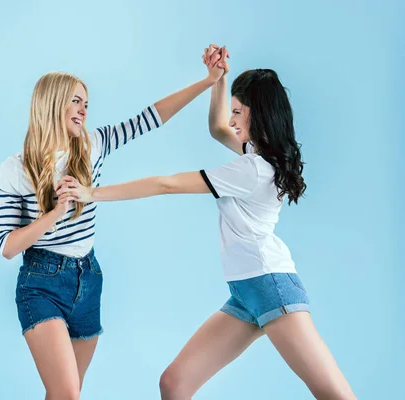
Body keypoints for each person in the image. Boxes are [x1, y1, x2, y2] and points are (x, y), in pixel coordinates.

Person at [56, 45, 357, 399]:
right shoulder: (259, 155)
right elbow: (216, 128)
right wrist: (219, 78)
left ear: (257, 114)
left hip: (271, 286)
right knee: (175, 383)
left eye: (238, 112)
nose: (231, 121)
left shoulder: (251, 170)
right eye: (232, 111)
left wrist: (91, 193)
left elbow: (164, 184)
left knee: (335, 394)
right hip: (246, 293)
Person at [0, 60, 227, 399]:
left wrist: (209, 81)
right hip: (41, 283)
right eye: (76, 101)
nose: (83, 110)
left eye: (86, 104)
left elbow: (151, 118)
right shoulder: (14, 168)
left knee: (67, 394)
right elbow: (7, 246)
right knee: (67, 392)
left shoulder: (92, 145)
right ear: (52, 102)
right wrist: (56, 212)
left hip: (88, 279)